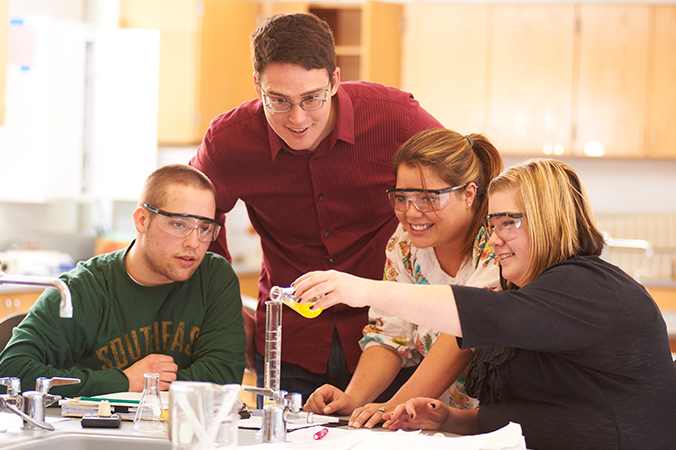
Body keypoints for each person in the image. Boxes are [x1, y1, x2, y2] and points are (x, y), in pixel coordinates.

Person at [293, 159, 676, 450]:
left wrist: (365, 291)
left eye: (508, 223)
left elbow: (483, 314)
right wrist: (451, 418)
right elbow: (529, 411)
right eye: (492, 225)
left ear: (549, 221)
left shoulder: (590, 287)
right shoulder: (532, 293)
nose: (494, 240)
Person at [189, 12, 442, 403]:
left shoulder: (396, 118)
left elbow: (462, 183)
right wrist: (221, 301)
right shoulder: (230, 140)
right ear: (257, 85)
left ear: (335, 81)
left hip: (395, 340)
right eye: (278, 101)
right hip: (289, 345)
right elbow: (189, 211)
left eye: (312, 98)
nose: (297, 118)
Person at [303, 128, 503, 428]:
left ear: (469, 193)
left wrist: (394, 405)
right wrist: (353, 397)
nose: (411, 212)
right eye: (402, 197)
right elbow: (390, 333)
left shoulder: (498, 242)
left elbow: (463, 333)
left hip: (496, 422)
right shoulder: (407, 243)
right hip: (441, 423)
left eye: (427, 198)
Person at [0, 164, 247, 397]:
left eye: (205, 228)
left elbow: (223, 378)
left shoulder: (214, 277)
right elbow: (11, 372)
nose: (194, 242)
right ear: (142, 220)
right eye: (179, 224)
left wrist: (147, 386)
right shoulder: (84, 289)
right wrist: (124, 381)